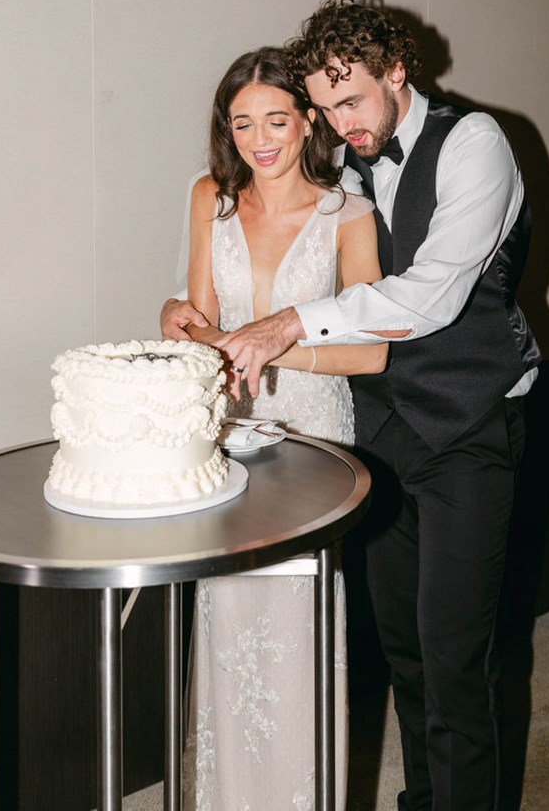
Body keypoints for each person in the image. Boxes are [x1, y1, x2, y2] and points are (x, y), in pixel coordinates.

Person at [162, 0, 540, 811]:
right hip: (376, 433)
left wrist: (286, 323)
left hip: (469, 425)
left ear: (397, 72)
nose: (341, 121)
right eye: (326, 107)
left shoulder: (475, 143)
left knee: (455, 657)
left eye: (352, 100)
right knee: (402, 650)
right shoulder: (347, 162)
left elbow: (433, 295)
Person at [168, 46, 387, 811]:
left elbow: (369, 350)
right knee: (226, 622)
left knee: (298, 632)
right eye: (241, 125)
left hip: (312, 441)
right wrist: (179, 321)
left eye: (275, 120)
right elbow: (198, 326)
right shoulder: (209, 199)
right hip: (229, 437)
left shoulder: (347, 215)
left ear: (306, 123)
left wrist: (270, 342)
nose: (260, 140)